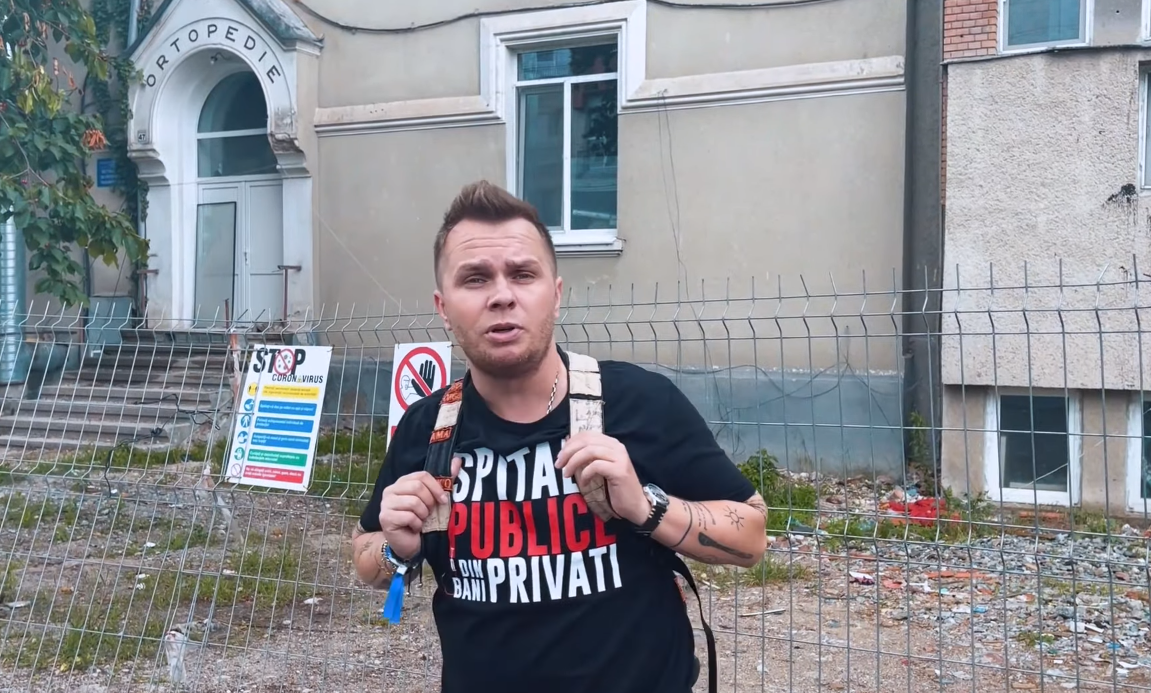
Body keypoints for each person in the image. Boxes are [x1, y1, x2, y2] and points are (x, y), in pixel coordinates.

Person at [352, 180, 768, 693]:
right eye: (475, 279)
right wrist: (397, 549)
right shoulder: (427, 427)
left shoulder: (639, 402)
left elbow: (752, 537)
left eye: (522, 274)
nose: (502, 296)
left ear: (555, 293)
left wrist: (646, 507)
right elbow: (365, 552)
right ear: (443, 306)